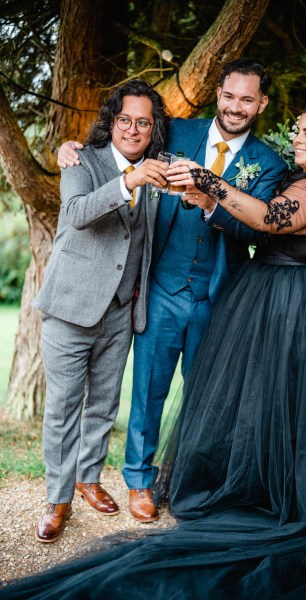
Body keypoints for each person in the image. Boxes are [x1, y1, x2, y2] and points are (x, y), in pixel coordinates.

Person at [2, 99, 306, 599]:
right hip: (191, 296)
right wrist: (71, 146)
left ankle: (274, 495)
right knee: (242, 400)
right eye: (296, 131)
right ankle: (111, 487)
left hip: (279, 306)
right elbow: (130, 146)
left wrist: (210, 186)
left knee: (267, 402)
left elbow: (270, 220)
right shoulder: (185, 138)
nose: (296, 139)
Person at [57, 58, 288, 523]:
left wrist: (211, 205)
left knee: (208, 395)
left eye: (247, 99)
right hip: (160, 287)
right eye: (229, 95)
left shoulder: (268, 163)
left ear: (261, 103)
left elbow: (258, 232)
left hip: (218, 295)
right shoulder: (176, 133)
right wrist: (72, 146)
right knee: (147, 390)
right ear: (218, 93)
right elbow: (125, 145)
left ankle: (192, 478)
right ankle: (140, 481)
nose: (236, 107)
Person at [31, 79, 170, 543]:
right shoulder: (80, 161)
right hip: (70, 309)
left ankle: (89, 477)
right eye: (125, 120)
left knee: (104, 406)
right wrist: (127, 180)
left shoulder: (159, 172)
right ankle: (57, 497)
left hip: (120, 312)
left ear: (154, 129)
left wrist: (144, 177)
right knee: (64, 407)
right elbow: (75, 213)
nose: (133, 129)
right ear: (111, 122)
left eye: (143, 122)